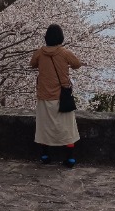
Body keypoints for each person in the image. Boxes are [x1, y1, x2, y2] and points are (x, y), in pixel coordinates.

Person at [30, 24, 82, 167]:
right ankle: (70, 159)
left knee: (44, 127)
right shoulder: (64, 52)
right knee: (67, 128)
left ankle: (45, 156)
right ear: (61, 37)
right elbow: (77, 64)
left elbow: (32, 64)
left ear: (46, 37)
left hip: (44, 96)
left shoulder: (40, 52)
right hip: (62, 97)